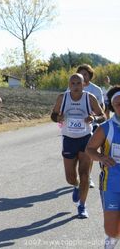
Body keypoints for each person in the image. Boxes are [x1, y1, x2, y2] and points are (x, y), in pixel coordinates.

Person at [51, 73, 105, 218]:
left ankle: (82, 206)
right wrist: (58, 117)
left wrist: (93, 117)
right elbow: (53, 115)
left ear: (84, 85)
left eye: (78, 83)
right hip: (69, 139)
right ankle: (76, 186)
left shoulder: (89, 98)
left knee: (84, 174)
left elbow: (103, 116)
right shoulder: (63, 98)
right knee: (70, 177)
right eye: (73, 83)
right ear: (69, 85)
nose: (75, 86)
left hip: (86, 139)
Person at [86, 85, 120, 249]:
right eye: (119, 104)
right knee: (111, 229)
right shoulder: (106, 128)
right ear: (113, 107)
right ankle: (112, 241)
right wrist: (101, 157)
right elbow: (89, 149)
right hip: (111, 184)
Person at [76, 64, 105, 189]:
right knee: (77, 154)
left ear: (90, 76)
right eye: (80, 74)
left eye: (85, 74)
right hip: (75, 127)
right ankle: (78, 177)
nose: (82, 76)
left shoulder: (96, 89)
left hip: (91, 125)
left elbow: (102, 108)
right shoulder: (72, 88)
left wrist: (94, 116)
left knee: (88, 153)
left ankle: (87, 177)